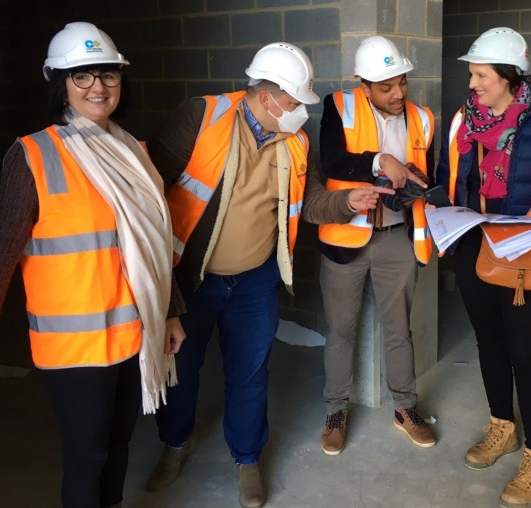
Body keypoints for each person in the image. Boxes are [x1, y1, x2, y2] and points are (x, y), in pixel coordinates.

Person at [142, 42, 390, 507]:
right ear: (266, 97)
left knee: (250, 373)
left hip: (256, 280)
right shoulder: (201, 117)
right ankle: (174, 446)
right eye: (295, 103)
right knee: (182, 370)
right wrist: (164, 290)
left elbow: (312, 199)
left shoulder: (295, 140)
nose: (301, 113)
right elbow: (148, 194)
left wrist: (347, 202)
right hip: (191, 280)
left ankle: (247, 458)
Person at [0, 21, 181, 507]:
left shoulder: (136, 151)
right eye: (81, 76)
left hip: (134, 333)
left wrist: (171, 311)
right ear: (60, 84)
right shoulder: (34, 155)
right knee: (89, 455)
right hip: (74, 348)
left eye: (107, 74)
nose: (98, 87)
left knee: (119, 447)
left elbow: (156, 243)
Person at [435, 27, 531, 508]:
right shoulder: (463, 120)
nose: (472, 83)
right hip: (475, 248)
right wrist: (446, 220)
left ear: (507, 77)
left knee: (526, 353)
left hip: (527, 253)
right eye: (472, 74)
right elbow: (449, 180)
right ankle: (503, 426)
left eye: (480, 74)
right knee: (488, 342)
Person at [309, 35, 437, 456]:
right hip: (347, 239)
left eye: (402, 83)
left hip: (396, 237)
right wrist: (381, 161)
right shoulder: (338, 106)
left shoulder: (422, 118)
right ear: (363, 85)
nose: (398, 93)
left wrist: (417, 183)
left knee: (400, 330)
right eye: (386, 87)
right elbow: (333, 162)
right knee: (340, 332)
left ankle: (405, 408)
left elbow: (427, 173)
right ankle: (335, 411)